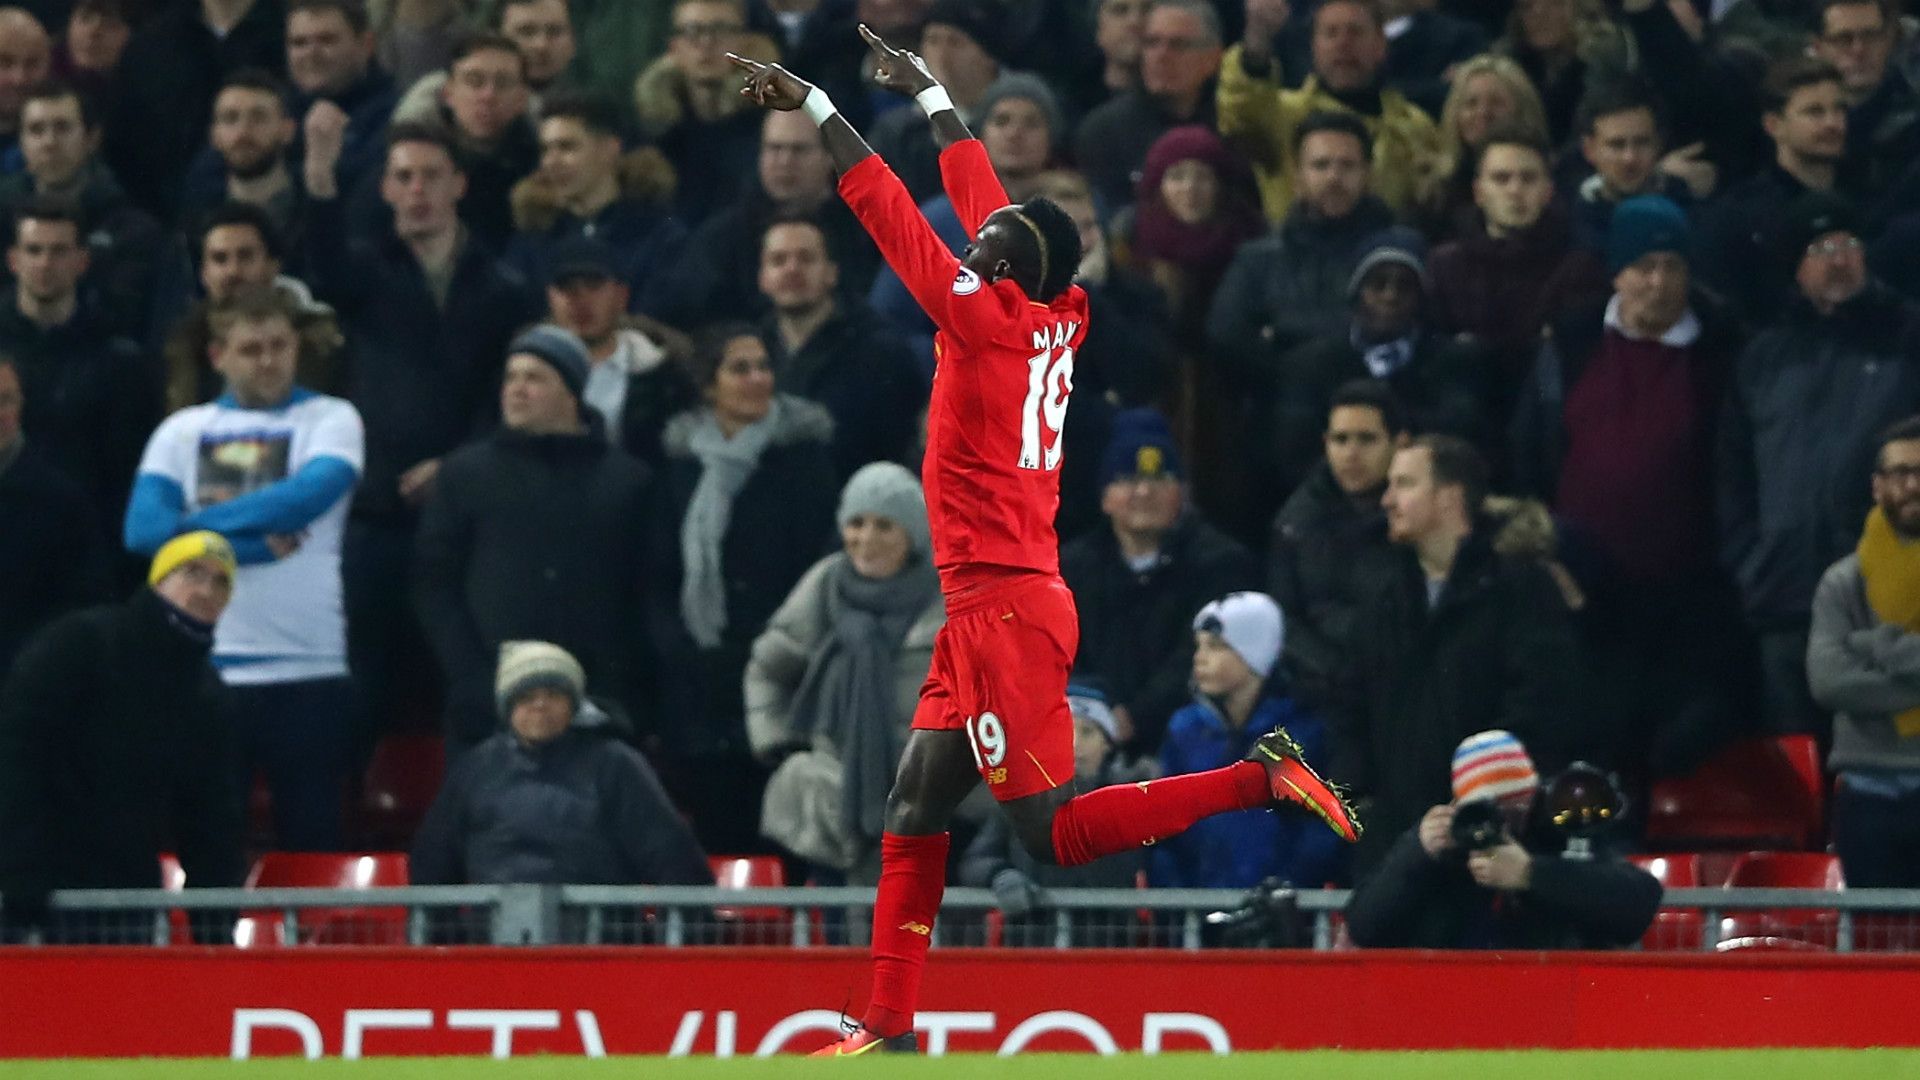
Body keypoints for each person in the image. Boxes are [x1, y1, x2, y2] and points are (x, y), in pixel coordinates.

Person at [729, 28, 1358, 1057]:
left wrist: (811, 106)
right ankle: (885, 1016)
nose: (975, 237)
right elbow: (985, 196)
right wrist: (932, 93)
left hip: (1006, 605)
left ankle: (1261, 776)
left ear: (1013, 267)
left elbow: (887, 211)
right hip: (990, 597)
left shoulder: (983, 316)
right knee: (915, 798)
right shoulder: (1055, 310)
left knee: (1052, 832)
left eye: (994, 241)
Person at [303, 121, 540, 737]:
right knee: (359, 690)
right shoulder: (365, 274)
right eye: (403, 177)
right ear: (383, 189)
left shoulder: (503, 287)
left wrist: (458, 465)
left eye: (431, 175)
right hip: (376, 512)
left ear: (459, 184)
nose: (417, 191)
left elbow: (505, 395)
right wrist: (322, 178)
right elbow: (322, 267)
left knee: (465, 685)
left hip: (465, 513)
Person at [1512, 196, 1751, 777]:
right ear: (1616, 271)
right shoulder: (1569, 344)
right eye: (1645, 267)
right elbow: (1529, 455)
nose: (1660, 283)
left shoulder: (1724, 351)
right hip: (1579, 598)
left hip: (1686, 600)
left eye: (1673, 268)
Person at [125, 288, 365, 851]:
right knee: (204, 839)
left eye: (279, 345)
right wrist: (251, 549)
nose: (268, 359)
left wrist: (193, 528)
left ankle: (317, 943)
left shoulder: (330, 417)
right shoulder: (182, 431)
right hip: (203, 663)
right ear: (219, 355)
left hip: (307, 665)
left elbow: (306, 498)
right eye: (251, 348)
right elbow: (140, 532)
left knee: (314, 839)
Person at [1719, 192, 1920, 741]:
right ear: (1795, 268)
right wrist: (1749, 559)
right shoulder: (1763, 357)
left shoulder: (1907, 338)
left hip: (1889, 603)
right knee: (1799, 776)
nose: (1840, 258)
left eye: (1849, 245)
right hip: (1784, 596)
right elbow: (1734, 473)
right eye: (1822, 247)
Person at [1337, 436, 1585, 875]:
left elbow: (1542, 707)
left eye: (1405, 484)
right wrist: (1366, 807)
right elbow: (1351, 711)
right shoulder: (1382, 601)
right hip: (1398, 848)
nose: (1388, 499)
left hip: (1493, 848)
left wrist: (1483, 800)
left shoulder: (1521, 589)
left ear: (1449, 497)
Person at [413, 325, 654, 754]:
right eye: (511, 377)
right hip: (487, 705)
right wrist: (472, 676)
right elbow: (434, 583)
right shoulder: (465, 474)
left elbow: (647, 593)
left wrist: (620, 686)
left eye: (535, 378)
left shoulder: (628, 481)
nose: (517, 390)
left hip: (598, 705)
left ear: (572, 392)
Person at [0, 532, 246, 943]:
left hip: (123, 897)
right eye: (192, 572)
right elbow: (16, 754)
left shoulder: (207, 695)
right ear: (158, 580)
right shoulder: (80, 643)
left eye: (221, 582)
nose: (206, 589)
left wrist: (214, 925)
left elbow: (211, 816)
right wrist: (20, 875)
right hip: (32, 887)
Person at [650, 324, 838, 855]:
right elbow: (659, 576)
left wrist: (776, 649)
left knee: (788, 835)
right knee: (718, 833)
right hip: (701, 684)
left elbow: (822, 567)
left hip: (786, 677)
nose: (757, 379)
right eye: (740, 368)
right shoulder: (679, 471)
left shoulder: (806, 461)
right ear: (708, 386)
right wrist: (684, 653)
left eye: (763, 367)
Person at [747, 462, 946, 879]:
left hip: (929, 801)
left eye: (884, 526)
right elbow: (767, 669)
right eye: (856, 523)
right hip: (832, 798)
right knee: (837, 933)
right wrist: (780, 742)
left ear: (913, 534)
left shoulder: (945, 597)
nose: (866, 539)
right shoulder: (825, 586)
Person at [409, 641, 713, 894]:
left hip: (600, 945)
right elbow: (432, 862)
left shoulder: (616, 765)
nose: (540, 705)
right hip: (494, 942)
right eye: (526, 697)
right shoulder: (476, 769)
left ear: (574, 705)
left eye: (553, 695)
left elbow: (674, 857)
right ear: (507, 709)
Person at [1345, 730, 1660, 947]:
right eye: (1494, 813)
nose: (1504, 827)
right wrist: (1415, 853)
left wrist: (1531, 874)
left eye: (1517, 811)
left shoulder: (1557, 834)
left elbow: (1638, 901)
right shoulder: (1444, 847)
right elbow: (1364, 927)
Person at [1060, 409, 1259, 755]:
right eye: (1127, 479)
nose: (1143, 492)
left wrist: (1137, 715)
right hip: (1084, 734)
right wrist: (1095, 708)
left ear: (1182, 492)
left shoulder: (1221, 563)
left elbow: (1202, 655)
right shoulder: (1070, 566)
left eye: (1160, 478)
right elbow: (1059, 651)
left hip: (1189, 739)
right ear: (1105, 497)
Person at [1267, 229, 1496, 502]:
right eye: (1378, 284)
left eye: (1404, 286)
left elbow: (1461, 444)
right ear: (1357, 291)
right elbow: (1294, 455)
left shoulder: (1455, 362)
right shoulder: (1310, 365)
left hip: (1425, 506)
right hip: (1333, 508)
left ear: (1422, 298)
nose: (1390, 295)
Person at [1152, 592, 1346, 890]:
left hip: (1280, 915)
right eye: (1199, 646)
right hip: (1193, 914)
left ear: (1254, 654)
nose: (1199, 657)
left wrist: (1286, 887)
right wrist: (1177, 896)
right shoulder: (1184, 731)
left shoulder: (1300, 734)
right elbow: (1162, 827)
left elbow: (1320, 828)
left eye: (1216, 646)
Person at [1809, 417, 1920, 888]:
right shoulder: (1843, 582)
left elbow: (1851, 672)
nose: (1913, 485)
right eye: (1900, 473)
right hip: (1867, 791)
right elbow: (1830, 682)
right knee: (1874, 947)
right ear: (1877, 486)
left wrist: (1874, 645)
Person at [956, 683, 1151, 946]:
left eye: (1087, 732)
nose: (1074, 743)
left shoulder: (1133, 801)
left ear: (1107, 744)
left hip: (1107, 949)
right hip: (1031, 946)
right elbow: (977, 859)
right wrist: (1000, 875)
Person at [0, 195, 148, 536]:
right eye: (34, 250)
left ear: (82, 261)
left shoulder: (118, 359)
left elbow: (126, 469)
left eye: (58, 251)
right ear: (13, 260)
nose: (45, 263)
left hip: (84, 538)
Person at [657, 107, 882, 328]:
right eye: (774, 149)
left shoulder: (863, 229)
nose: (785, 161)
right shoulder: (722, 236)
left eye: (799, 150)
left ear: (830, 157)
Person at [1217, 0, 1441, 219]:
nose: (1343, 43)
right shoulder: (1282, 115)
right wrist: (1256, 46)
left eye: (1355, 32)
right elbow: (1240, 111)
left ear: (1381, 44)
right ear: (1313, 46)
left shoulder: (1414, 126)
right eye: (1331, 33)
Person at [1208, 111, 1396, 373]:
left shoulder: (1395, 256)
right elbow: (1226, 337)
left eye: (1347, 166)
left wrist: (1285, 335)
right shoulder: (1258, 259)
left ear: (1367, 174)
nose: (1333, 177)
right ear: (1297, 177)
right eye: (1321, 165)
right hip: (1281, 397)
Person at [1425, 128, 1607, 394]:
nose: (1515, 190)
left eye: (1528, 178)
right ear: (1478, 191)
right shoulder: (1445, 265)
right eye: (1501, 178)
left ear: (1548, 191)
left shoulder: (1579, 268)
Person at [1268, 380, 1406, 714]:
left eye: (1367, 439)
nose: (1351, 453)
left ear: (1399, 444)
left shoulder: (1415, 516)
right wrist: (1334, 673)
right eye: (1340, 440)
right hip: (1323, 696)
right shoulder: (1295, 521)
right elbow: (1283, 620)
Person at [759, 212, 926, 479]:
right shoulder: (749, 351)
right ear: (763, 277)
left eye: (806, 258)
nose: (792, 269)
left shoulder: (882, 355)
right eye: (779, 260)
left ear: (832, 273)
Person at [0, 79, 168, 341]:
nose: (49, 142)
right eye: (36, 130)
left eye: (63, 128)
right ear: (21, 142)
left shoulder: (132, 231)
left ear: (92, 139)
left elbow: (128, 318)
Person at [1696, 57, 1857, 327]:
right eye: (1814, 112)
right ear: (1773, 125)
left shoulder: (1867, 198)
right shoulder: (1739, 217)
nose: (1833, 123)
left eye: (1839, 110)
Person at [505, 90, 685, 314]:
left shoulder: (661, 238)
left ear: (609, 149)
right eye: (545, 150)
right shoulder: (531, 241)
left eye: (567, 147)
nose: (551, 162)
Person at [104, 0, 282, 217]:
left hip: (281, 218)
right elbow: (125, 144)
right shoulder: (152, 44)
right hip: (167, 223)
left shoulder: (293, 35)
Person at [161, 203, 343, 415]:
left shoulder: (318, 339)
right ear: (204, 274)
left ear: (273, 266)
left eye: (245, 256)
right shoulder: (181, 344)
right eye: (220, 259)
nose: (233, 271)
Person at [540, 237, 695, 469]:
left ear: (621, 296)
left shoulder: (664, 373)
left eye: (593, 285)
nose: (580, 300)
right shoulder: (523, 372)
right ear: (550, 298)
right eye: (567, 288)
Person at [0, 354, 107, 681]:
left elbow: (86, 607)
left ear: (21, 406)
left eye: (4, 400)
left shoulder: (61, 503)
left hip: (24, 687)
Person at [1113, 124, 1264, 337]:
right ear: (1158, 186)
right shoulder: (1129, 242)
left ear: (1220, 186)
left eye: (1202, 176)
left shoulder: (1252, 241)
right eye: (1177, 177)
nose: (1190, 188)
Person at [1074, 0, 1223, 212]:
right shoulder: (1104, 130)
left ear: (1212, 58)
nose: (1161, 56)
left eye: (1178, 45)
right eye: (1152, 43)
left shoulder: (1233, 125)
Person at [635, 0, 775, 224]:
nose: (706, 43)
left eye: (720, 30)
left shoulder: (770, 122)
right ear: (674, 47)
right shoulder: (655, 136)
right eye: (693, 31)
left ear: (744, 43)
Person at [865, 0, 1006, 204]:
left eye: (955, 42)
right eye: (933, 41)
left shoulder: (1011, 121)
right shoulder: (896, 131)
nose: (942, 54)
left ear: (989, 57)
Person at [1412, 54, 1548, 243]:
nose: (1483, 113)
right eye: (1471, 103)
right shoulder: (1432, 193)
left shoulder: (1547, 180)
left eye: (1496, 103)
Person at [1565, 80, 1700, 256]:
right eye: (1617, 145)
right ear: (1589, 150)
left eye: (1642, 142)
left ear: (1659, 144)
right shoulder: (1568, 227)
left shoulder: (1691, 216)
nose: (1630, 158)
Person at [177, 70, 305, 241]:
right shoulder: (195, 219)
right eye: (230, 118)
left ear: (288, 130)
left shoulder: (312, 208)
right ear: (214, 135)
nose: (243, 132)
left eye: (258, 118)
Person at [1811, 0, 1916, 201]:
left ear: (1889, 41)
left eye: (1871, 36)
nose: (1859, 50)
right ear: (1818, 47)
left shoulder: (1913, 123)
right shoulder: (1789, 122)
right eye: (1843, 38)